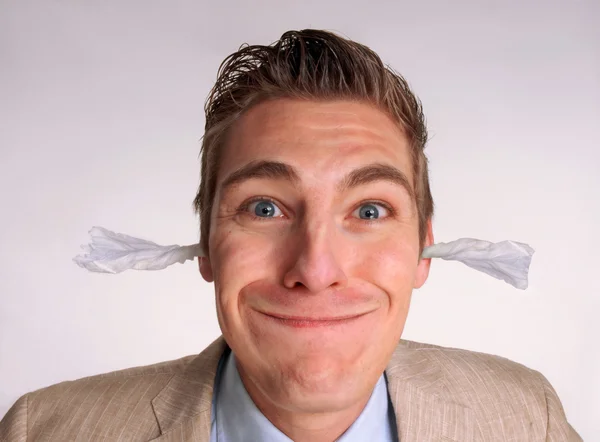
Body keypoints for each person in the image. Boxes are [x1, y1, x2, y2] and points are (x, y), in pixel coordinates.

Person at [0, 29, 581, 442]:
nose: (316, 266)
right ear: (206, 246)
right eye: (264, 207)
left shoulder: (527, 418)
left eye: (371, 210)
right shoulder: (41, 431)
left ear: (423, 250)